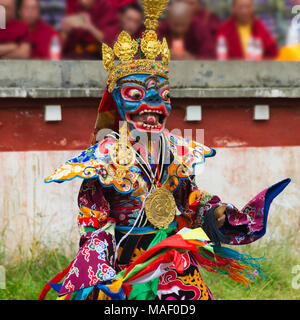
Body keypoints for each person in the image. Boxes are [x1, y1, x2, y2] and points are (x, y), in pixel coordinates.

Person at [39, 0, 290, 301]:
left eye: (164, 96)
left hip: (174, 261)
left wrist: (215, 212)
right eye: (136, 95)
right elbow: (94, 217)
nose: (154, 108)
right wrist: (100, 265)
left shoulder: (175, 149)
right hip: (125, 265)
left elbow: (191, 200)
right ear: (118, 100)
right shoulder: (104, 157)